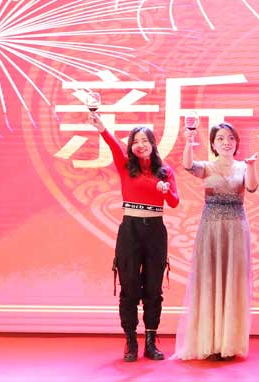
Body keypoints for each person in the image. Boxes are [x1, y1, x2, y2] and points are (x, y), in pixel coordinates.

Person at [89, 112, 180, 362]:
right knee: (129, 287)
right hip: (130, 230)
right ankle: (130, 341)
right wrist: (102, 128)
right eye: (135, 142)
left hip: (155, 231)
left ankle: (150, 342)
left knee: (153, 288)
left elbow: (174, 202)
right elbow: (113, 146)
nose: (140, 145)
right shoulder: (125, 166)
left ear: (153, 143)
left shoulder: (165, 171)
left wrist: (165, 190)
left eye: (144, 140)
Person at [173, 122, 258, 361]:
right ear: (213, 144)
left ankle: (228, 342)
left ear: (236, 142)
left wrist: (252, 166)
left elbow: (252, 188)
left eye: (230, 138)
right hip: (210, 229)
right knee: (209, 281)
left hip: (236, 229)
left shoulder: (243, 166)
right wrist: (189, 141)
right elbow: (188, 165)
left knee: (233, 280)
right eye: (220, 138)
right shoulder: (207, 166)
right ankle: (208, 341)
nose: (226, 142)